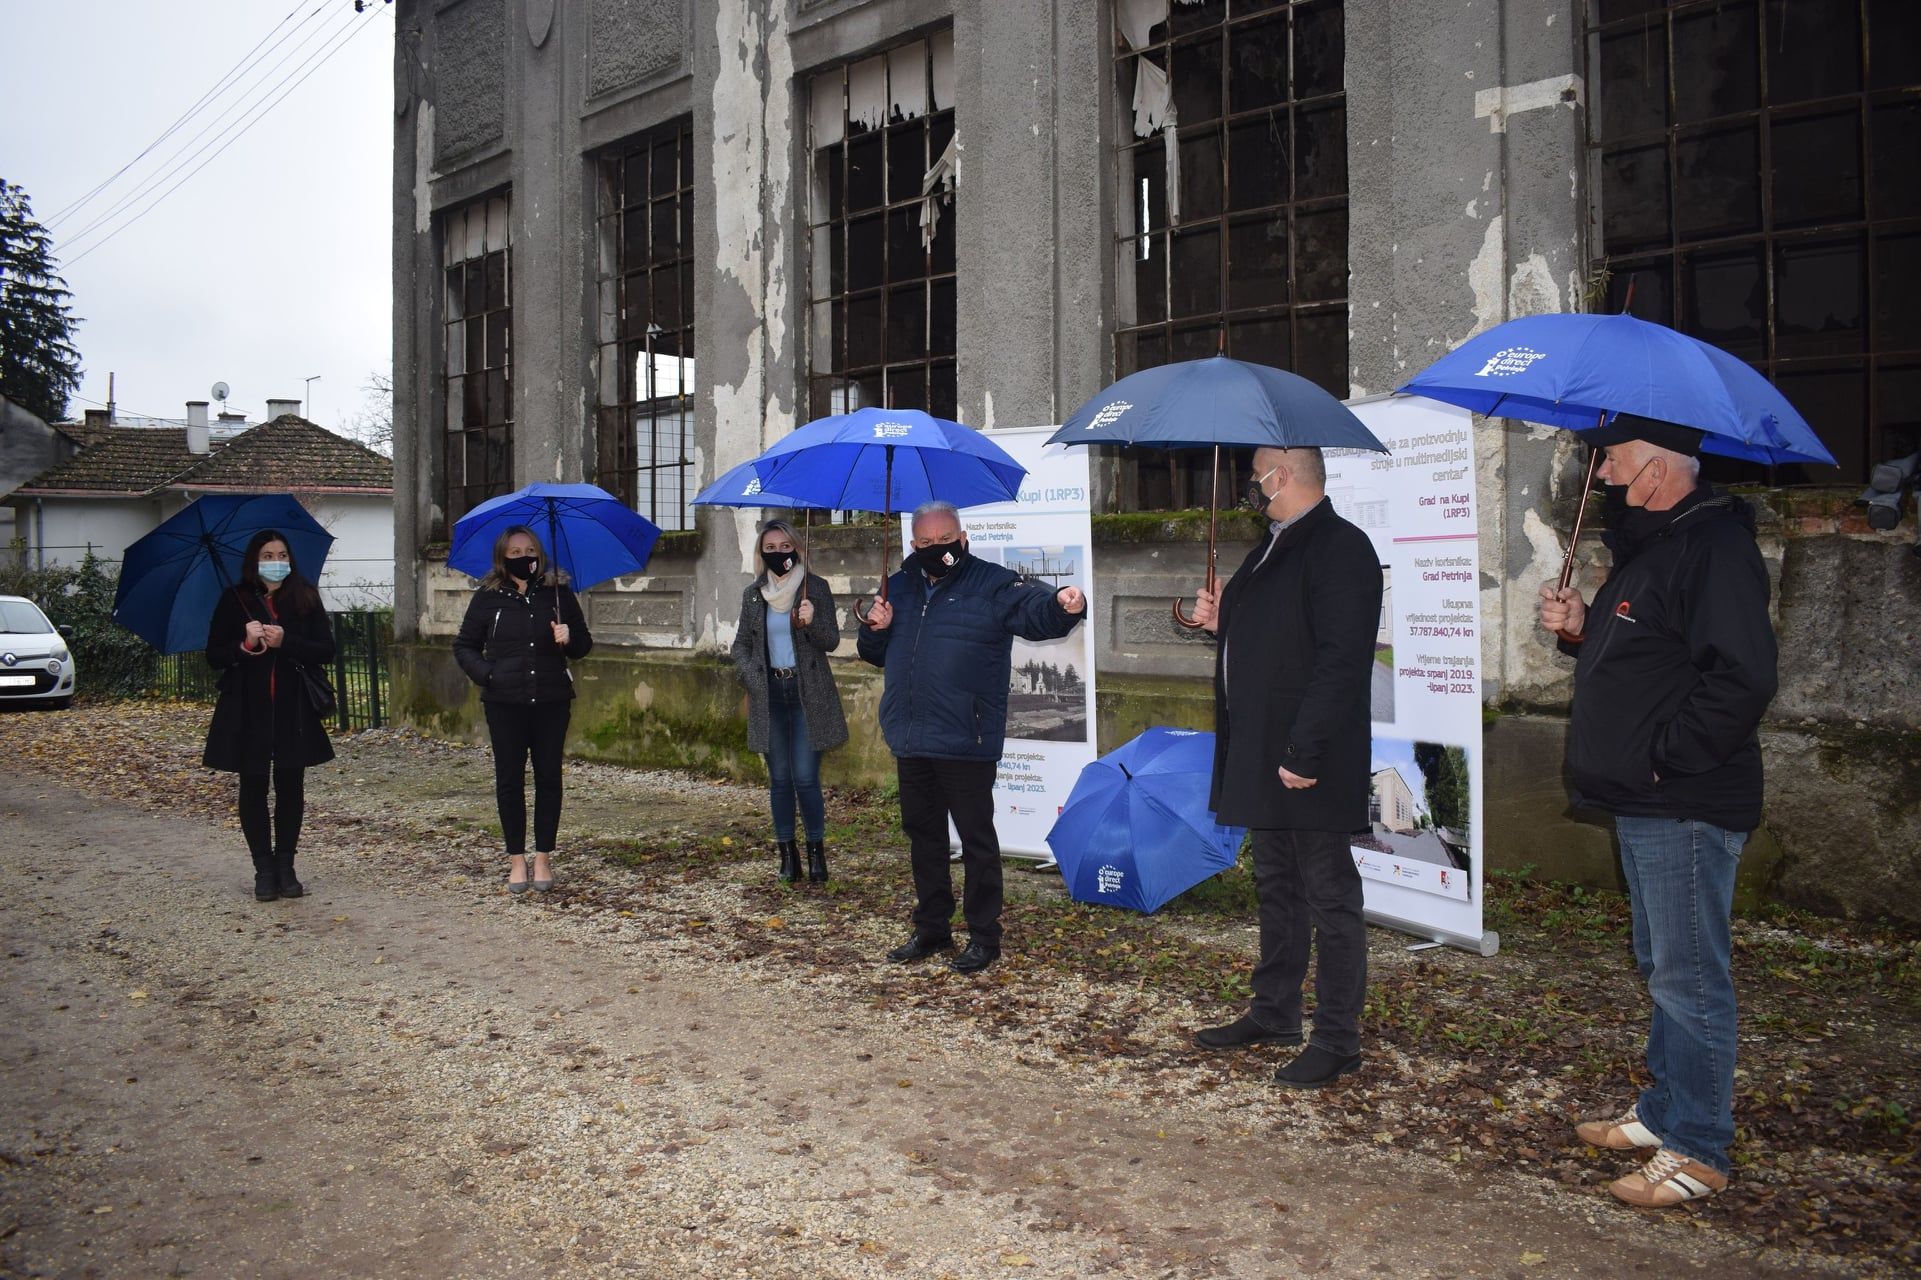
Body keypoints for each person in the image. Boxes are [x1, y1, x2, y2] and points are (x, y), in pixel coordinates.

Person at [1539, 414, 1778, 1208]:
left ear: (1654, 469)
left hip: (1682, 799)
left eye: (1611, 461)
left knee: (1689, 978)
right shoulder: (1656, 547)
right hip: (1646, 798)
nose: (1602, 475)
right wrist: (1581, 630)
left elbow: (1741, 677)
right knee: (1660, 964)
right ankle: (1664, 1112)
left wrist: (1662, 758)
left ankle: (1698, 1151)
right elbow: (1650, 657)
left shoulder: (1714, 549)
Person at [1190, 446, 1383, 1088]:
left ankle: (1337, 1038)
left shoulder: (1341, 548)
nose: (1250, 484)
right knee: (1277, 885)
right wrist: (1221, 623)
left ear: (1285, 475)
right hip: (1264, 752)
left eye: (1256, 474)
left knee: (1329, 894)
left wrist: (1306, 750)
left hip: (1309, 757)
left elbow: (1341, 662)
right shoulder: (1271, 545)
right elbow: (1275, 638)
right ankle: (1274, 1012)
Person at [856, 500, 1086, 974]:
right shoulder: (897, 587)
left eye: (945, 540)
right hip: (912, 735)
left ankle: (984, 936)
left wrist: (1063, 605)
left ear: (963, 539)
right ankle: (932, 928)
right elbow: (874, 652)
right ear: (913, 545)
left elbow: (1035, 612)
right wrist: (876, 629)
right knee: (924, 837)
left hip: (967, 736)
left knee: (977, 841)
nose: (936, 548)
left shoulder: (992, 583)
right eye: (926, 542)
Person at [453, 525, 593, 893]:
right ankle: (516, 859)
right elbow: (464, 646)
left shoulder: (557, 593)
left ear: (540, 554)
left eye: (529, 551)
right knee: (509, 780)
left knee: (548, 777)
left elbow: (583, 645)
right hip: (504, 703)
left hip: (551, 700)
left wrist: (569, 638)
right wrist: (488, 674)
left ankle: (543, 856)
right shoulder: (487, 597)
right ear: (503, 556)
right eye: (515, 552)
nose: (523, 557)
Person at [203, 530, 337, 902]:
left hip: (293, 708)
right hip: (248, 708)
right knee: (254, 785)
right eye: (267, 555)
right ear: (254, 560)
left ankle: (286, 866)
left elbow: (326, 650)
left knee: (291, 785)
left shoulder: (305, 597)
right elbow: (214, 656)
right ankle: (263, 868)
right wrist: (244, 645)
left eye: (281, 554)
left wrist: (286, 641)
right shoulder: (235, 600)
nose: (276, 561)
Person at [731, 518, 849, 883]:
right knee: (780, 779)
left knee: (806, 777)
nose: (778, 553)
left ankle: (816, 852)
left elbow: (831, 640)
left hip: (807, 694)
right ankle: (787, 854)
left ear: (797, 549)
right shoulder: (754, 595)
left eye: (785, 547)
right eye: (770, 548)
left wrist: (812, 621)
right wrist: (753, 678)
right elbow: (741, 646)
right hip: (770, 695)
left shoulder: (815, 588)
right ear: (761, 553)